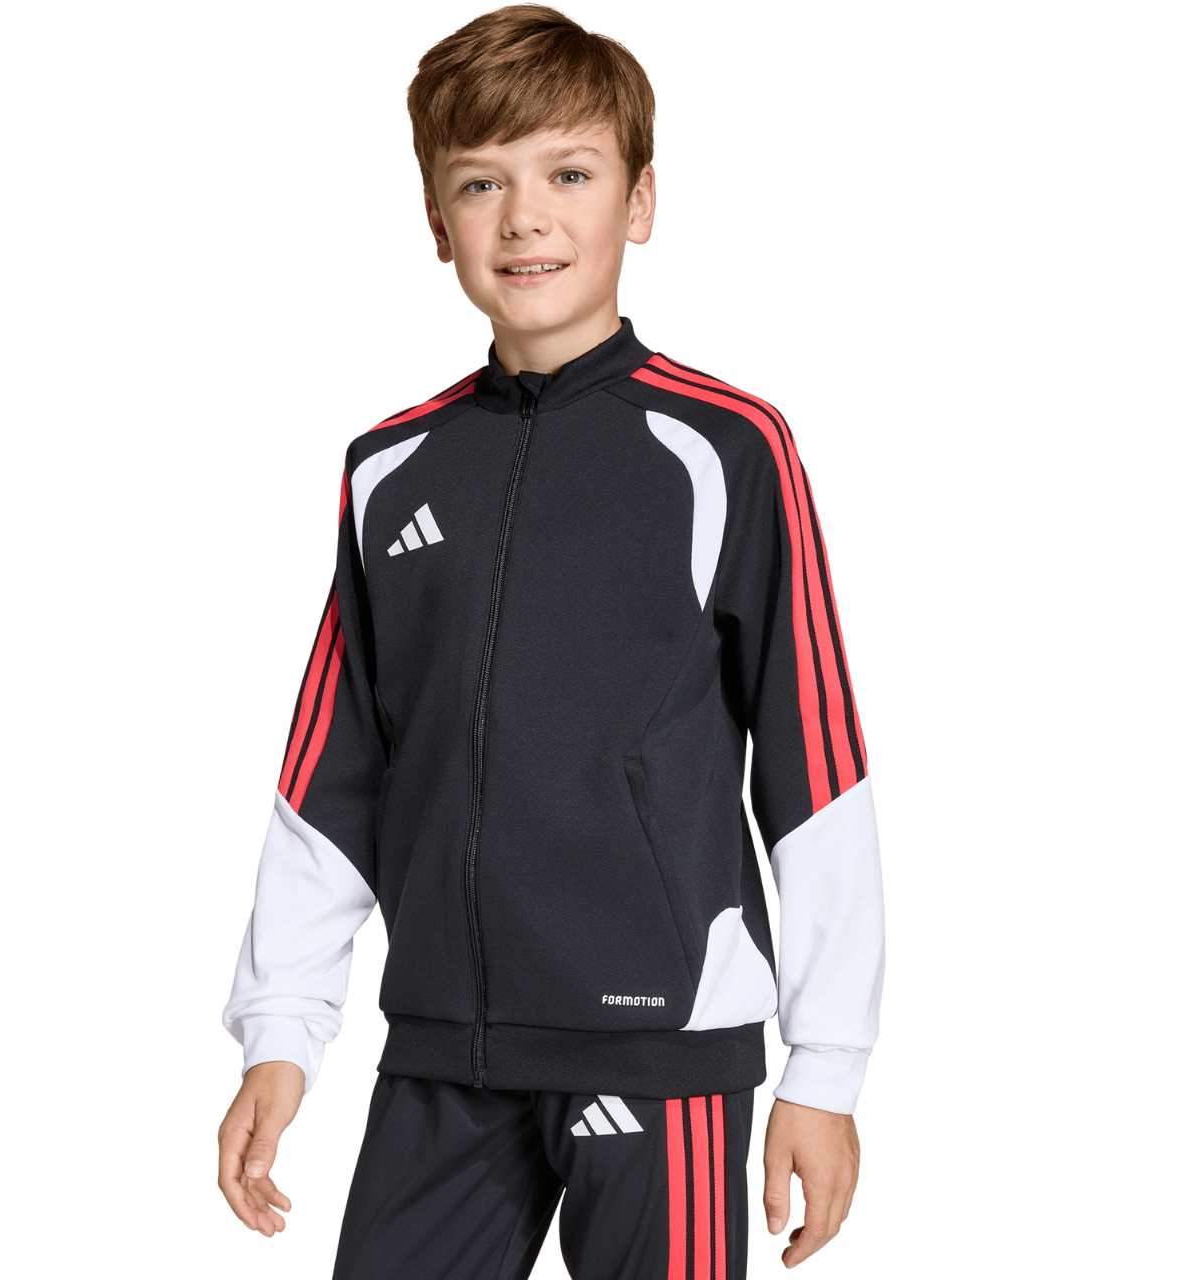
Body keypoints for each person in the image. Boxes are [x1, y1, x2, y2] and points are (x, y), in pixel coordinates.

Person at [217, 6, 884, 1275]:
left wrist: (825, 1063)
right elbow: (334, 768)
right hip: (441, 1049)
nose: (524, 217)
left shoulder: (726, 449)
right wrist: (281, 1029)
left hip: (658, 1048)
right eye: (482, 183)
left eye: (568, 174)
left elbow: (816, 759)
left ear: (639, 201)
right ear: (436, 221)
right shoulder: (390, 468)